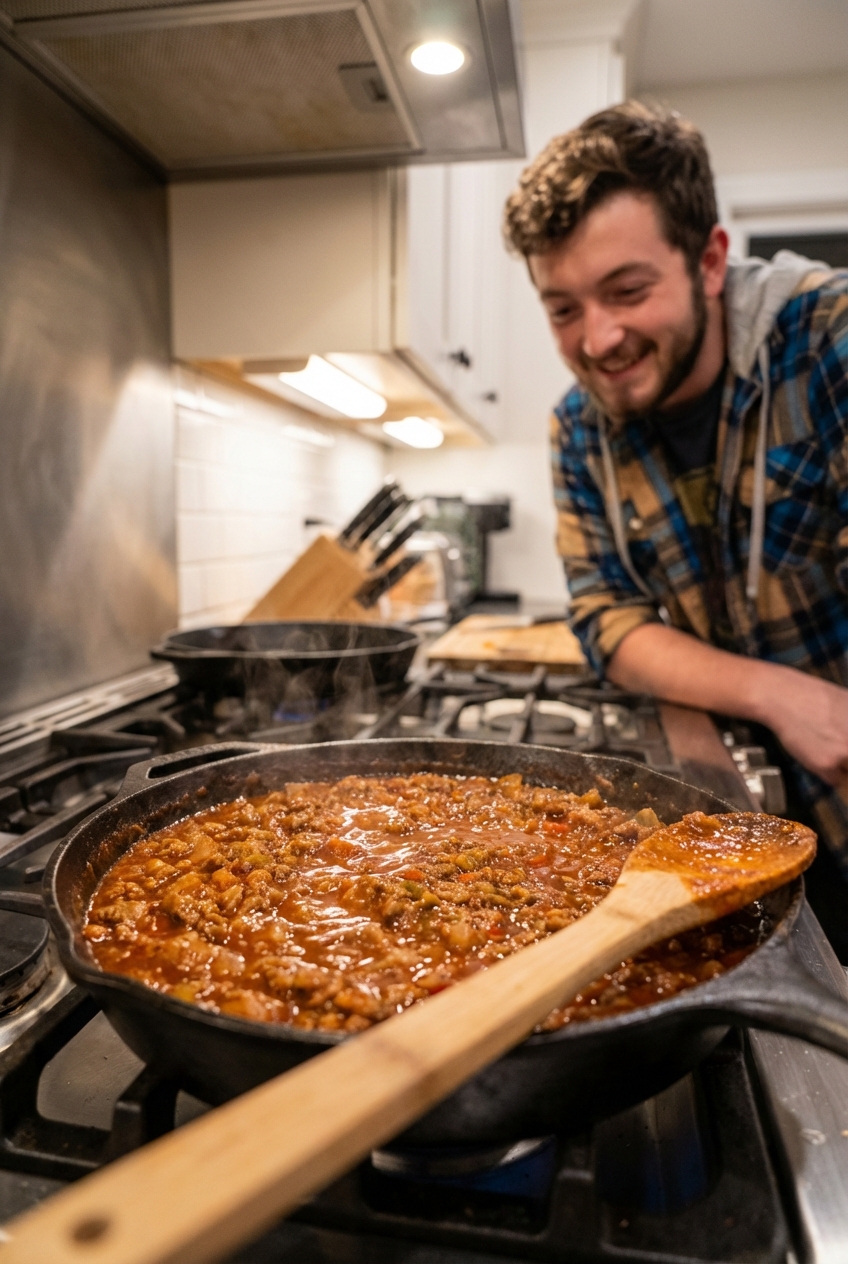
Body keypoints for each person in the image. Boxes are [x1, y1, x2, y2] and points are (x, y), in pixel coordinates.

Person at [504, 101, 848, 950]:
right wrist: (780, 694)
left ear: (710, 260)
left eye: (626, 292)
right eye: (563, 310)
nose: (600, 339)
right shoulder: (578, 427)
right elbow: (605, 618)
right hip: (750, 804)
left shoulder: (829, 338)